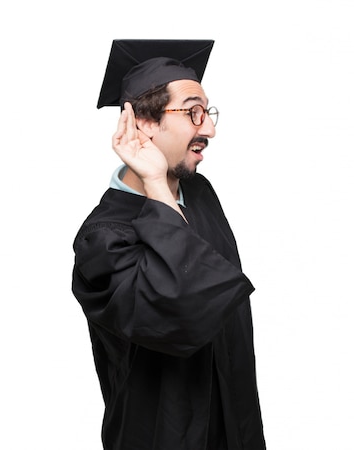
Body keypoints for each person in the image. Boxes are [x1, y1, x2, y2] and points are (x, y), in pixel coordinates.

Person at [71, 39, 266, 450]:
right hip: (162, 436)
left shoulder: (200, 194)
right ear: (143, 122)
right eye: (193, 112)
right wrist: (156, 185)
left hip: (235, 423)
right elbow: (182, 312)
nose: (209, 128)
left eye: (208, 112)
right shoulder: (103, 239)